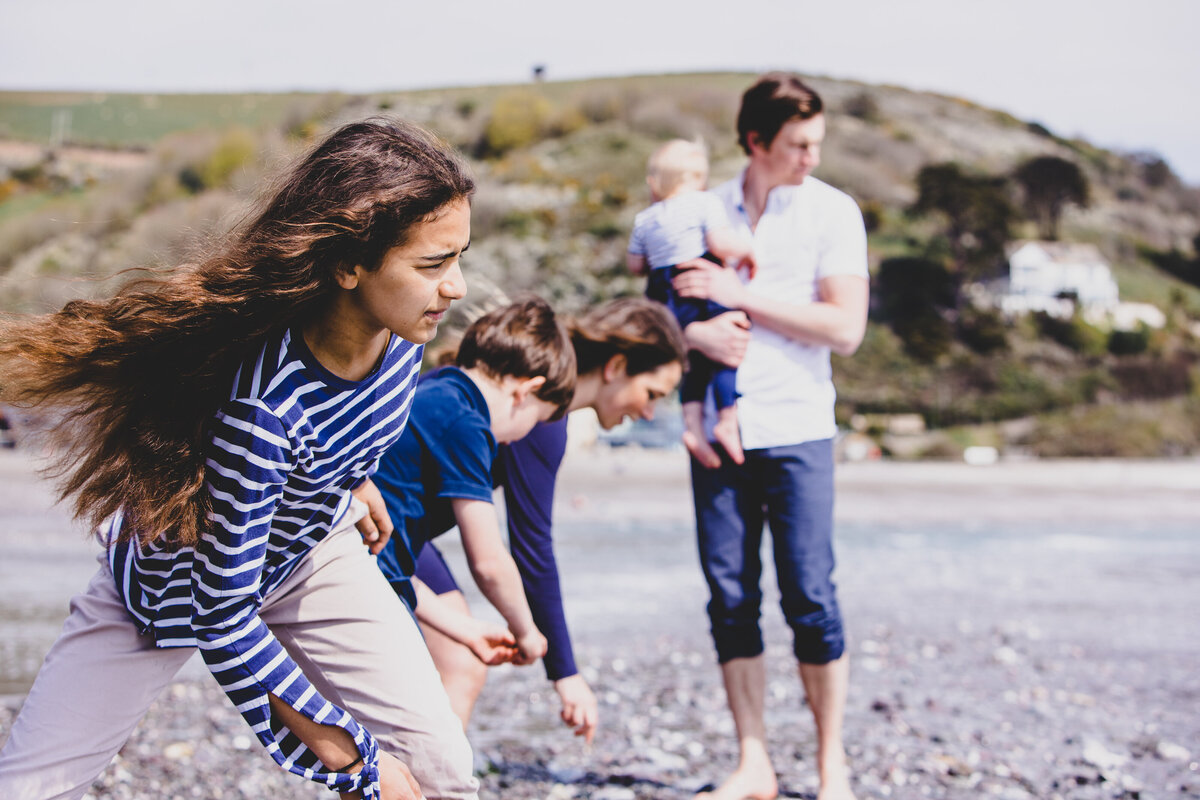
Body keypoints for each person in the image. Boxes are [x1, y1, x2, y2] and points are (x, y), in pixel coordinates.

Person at [0, 119, 481, 800]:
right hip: (179, 584)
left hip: (309, 557)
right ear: (348, 266)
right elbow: (221, 616)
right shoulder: (264, 407)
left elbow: (341, 424)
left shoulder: (402, 337)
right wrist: (357, 761)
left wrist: (350, 480)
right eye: (433, 265)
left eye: (459, 256)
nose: (456, 287)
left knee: (443, 774)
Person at [670, 73, 870, 800]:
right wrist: (694, 330)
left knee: (810, 597)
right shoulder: (700, 209)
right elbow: (665, 308)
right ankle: (753, 762)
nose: (812, 156)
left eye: (817, 143)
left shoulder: (834, 212)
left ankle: (830, 765)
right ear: (756, 141)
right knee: (729, 597)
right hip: (716, 434)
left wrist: (741, 296)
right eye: (798, 144)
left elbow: (845, 329)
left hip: (798, 429)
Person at [411, 297, 687, 743]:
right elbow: (530, 550)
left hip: (399, 535)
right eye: (652, 393)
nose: (650, 412)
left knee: (453, 662)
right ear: (616, 366)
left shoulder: (523, 398)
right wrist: (564, 672)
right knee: (458, 665)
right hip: (382, 530)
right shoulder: (542, 419)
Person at [371, 296, 575, 690]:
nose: (522, 438)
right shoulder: (467, 425)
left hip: (346, 573)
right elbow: (490, 563)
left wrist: (465, 630)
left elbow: (385, 565)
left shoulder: (437, 393)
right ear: (527, 391)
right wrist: (528, 632)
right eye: (537, 420)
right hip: (356, 596)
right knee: (421, 739)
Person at [627, 138, 756, 469]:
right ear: (698, 178)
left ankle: (694, 429)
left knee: (689, 361)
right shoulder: (705, 202)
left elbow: (636, 266)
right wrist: (746, 250)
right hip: (696, 281)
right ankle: (727, 418)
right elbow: (719, 242)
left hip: (662, 292)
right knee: (729, 341)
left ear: (654, 183)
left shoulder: (645, 218)